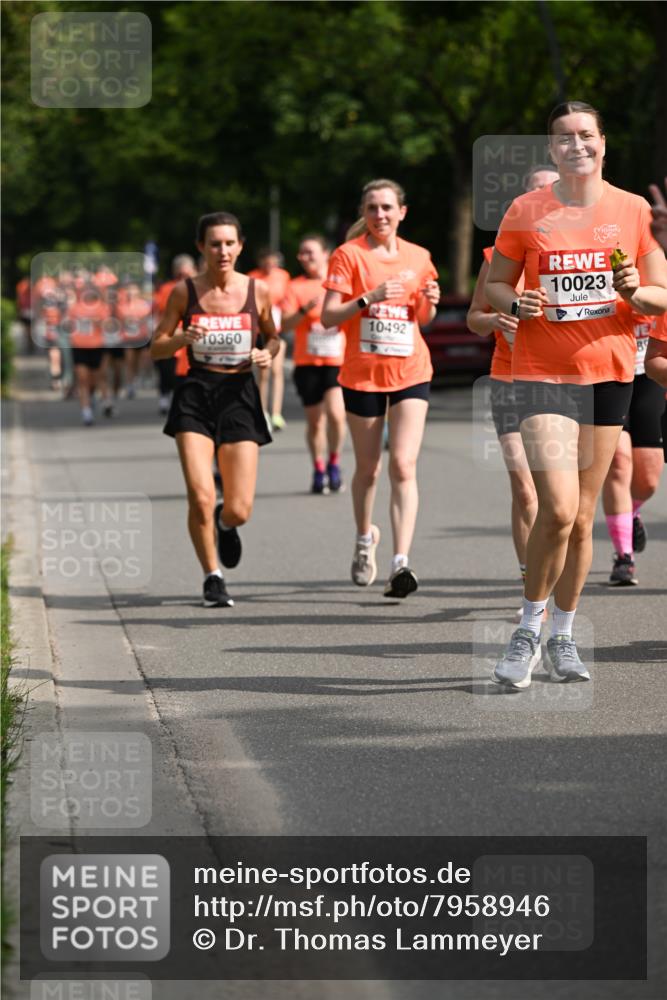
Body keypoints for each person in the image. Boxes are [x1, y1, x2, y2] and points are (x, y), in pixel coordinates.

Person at [485, 101, 667, 689]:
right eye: (564, 138)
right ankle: (528, 627)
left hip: (609, 373)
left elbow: (661, 294)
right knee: (557, 508)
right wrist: (516, 303)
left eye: (586, 135)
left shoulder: (631, 210)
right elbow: (492, 284)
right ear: (550, 149)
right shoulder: (526, 210)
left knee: (584, 519)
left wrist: (638, 292)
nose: (577, 145)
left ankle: (563, 633)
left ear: (603, 143)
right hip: (540, 372)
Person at [150, 212, 280, 608]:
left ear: (240, 246)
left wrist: (265, 353)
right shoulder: (183, 292)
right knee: (200, 494)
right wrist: (181, 338)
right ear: (201, 247)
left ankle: (226, 525)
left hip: (239, 394)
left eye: (229, 243)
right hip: (195, 393)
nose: (222, 251)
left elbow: (274, 338)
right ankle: (212, 576)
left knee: (239, 508)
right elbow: (156, 345)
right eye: (214, 243)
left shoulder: (257, 291)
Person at [321, 178, 440, 598]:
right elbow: (328, 318)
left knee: (403, 465)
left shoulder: (420, 256)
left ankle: (400, 563)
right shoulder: (348, 256)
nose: (380, 215)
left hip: (411, 370)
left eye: (387, 207)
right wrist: (368, 297)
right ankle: (363, 537)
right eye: (372, 208)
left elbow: (422, 318)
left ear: (402, 212)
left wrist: (431, 299)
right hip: (363, 374)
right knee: (369, 468)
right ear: (363, 213)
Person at [467, 165, 559, 598]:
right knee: (525, 488)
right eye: (535, 190)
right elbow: (474, 319)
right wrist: (495, 318)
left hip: (561, 380)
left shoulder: (572, 258)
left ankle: (554, 575)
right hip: (508, 376)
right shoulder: (495, 257)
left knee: (559, 495)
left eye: (550, 188)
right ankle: (530, 580)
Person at [602, 310, 666, 584]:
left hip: (647, 371)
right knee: (618, 460)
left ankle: (630, 514)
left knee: (649, 479)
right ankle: (624, 556)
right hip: (608, 370)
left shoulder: (657, 269)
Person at [281, 234, 347, 493]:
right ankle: (318, 468)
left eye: (310, 252)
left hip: (335, 360)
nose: (305, 258)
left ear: (325, 254)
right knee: (316, 422)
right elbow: (284, 324)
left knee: (336, 415)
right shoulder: (294, 287)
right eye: (301, 253)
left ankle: (334, 462)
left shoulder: (339, 284)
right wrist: (303, 310)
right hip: (307, 362)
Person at [248, 249, 290, 430]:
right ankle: (263, 411)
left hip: (278, 328)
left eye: (272, 263)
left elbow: (288, 299)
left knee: (277, 371)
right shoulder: (253, 277)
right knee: (263, 373)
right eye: (266, 262)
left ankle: (276, 413)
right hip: (259, 329)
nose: (269, 266)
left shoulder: (283, 277)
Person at [153, 254, 197, 414]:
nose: (183, 278)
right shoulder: (167, 289)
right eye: (180, 275)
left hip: (195, 335)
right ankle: (167, 394)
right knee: (168, 369)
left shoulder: (201, 287)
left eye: (186, 274)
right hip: (173, 335)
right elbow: (159, 312)